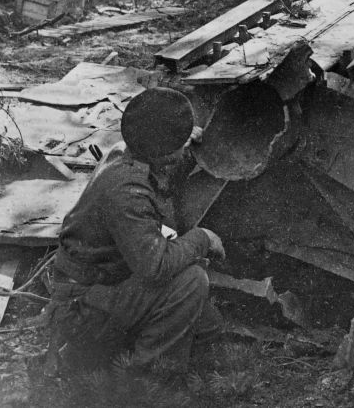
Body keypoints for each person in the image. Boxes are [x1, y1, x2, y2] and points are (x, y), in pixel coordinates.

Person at [47, 87, 225, 376]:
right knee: (191, 281)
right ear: (163, 151)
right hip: (81, 309)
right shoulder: (127, 190)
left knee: (209, 324)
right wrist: (204, 238)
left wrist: (181, 150)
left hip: (94, 290)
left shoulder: (124, 155)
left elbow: (158, 185)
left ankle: (124, 357)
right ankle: (143, 378)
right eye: (177, 141)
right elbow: (155, 266)